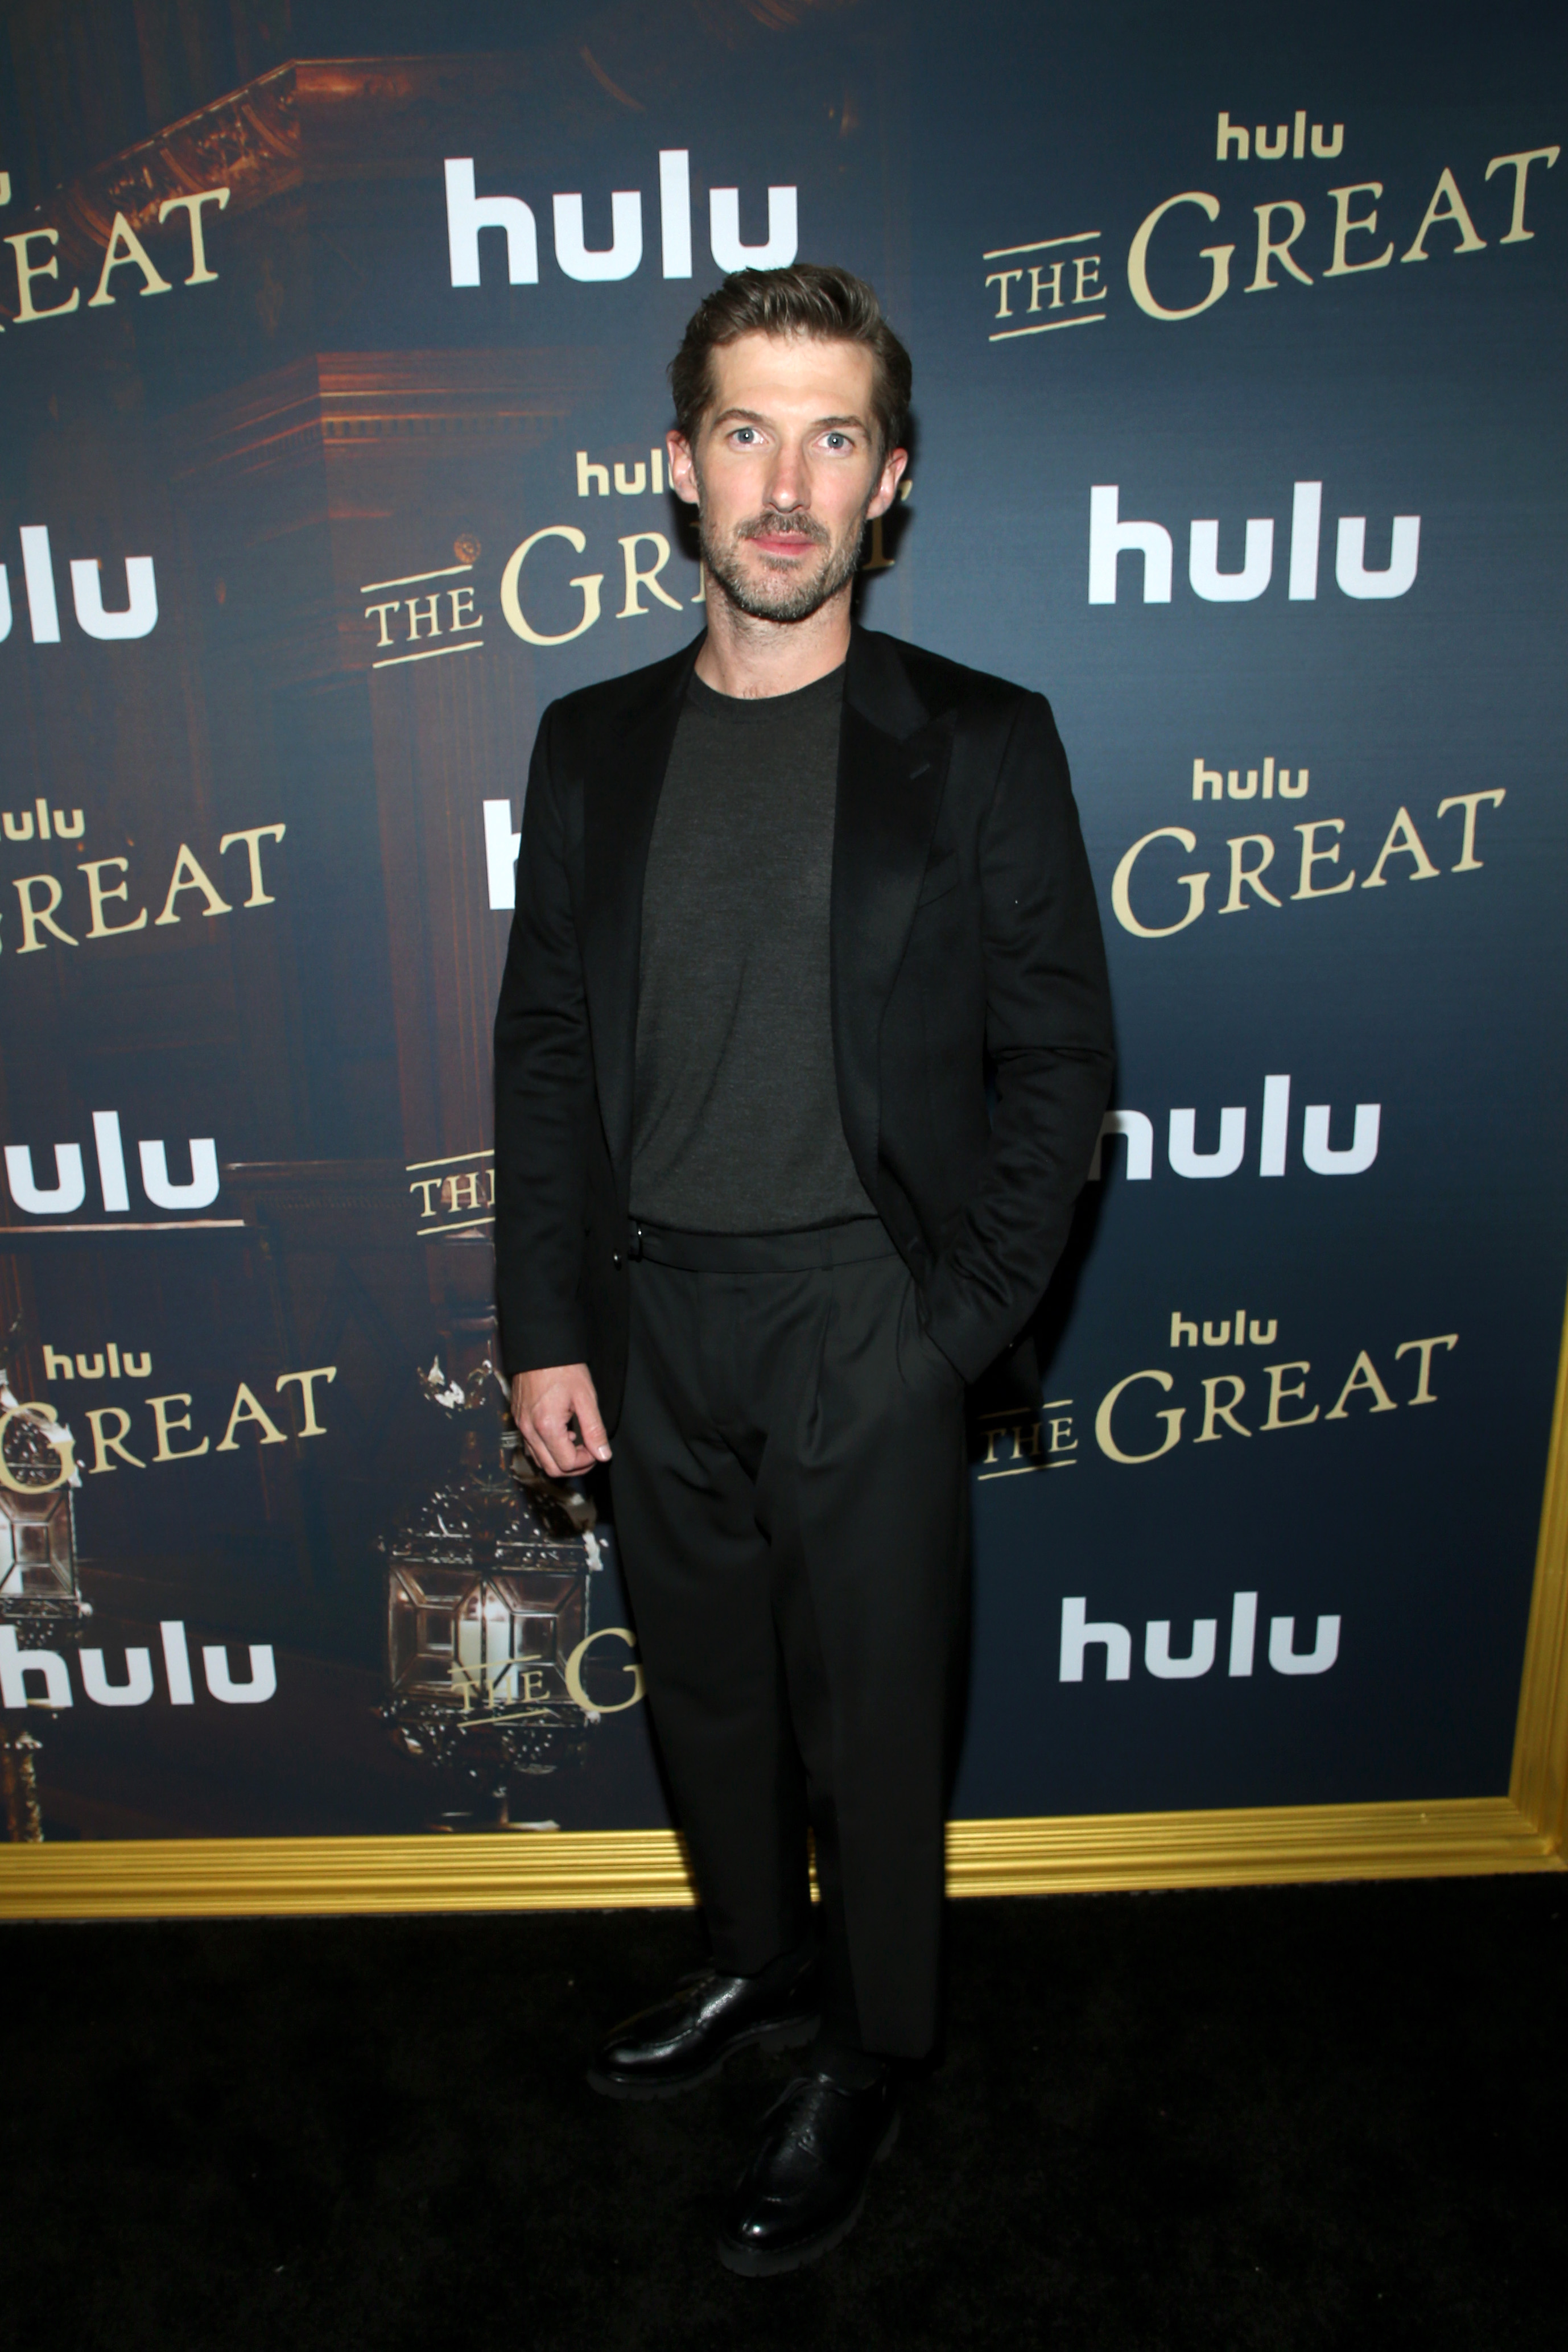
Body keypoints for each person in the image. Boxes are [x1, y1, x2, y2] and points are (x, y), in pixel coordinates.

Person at [493, 263, 1113, 2275]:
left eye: (830, 437)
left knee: (874, 1728)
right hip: (648, 1316)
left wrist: (945, 1339)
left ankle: (872, 2046)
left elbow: (1060, 1070)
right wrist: (545, 1325)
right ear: (678, 467)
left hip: (867, 1316)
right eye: (745, 432)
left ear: (888, 478)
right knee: (707, 1697)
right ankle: (756, 1962)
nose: (785, 485)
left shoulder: (983, 741)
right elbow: (546, 1049)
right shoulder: (587, 742)